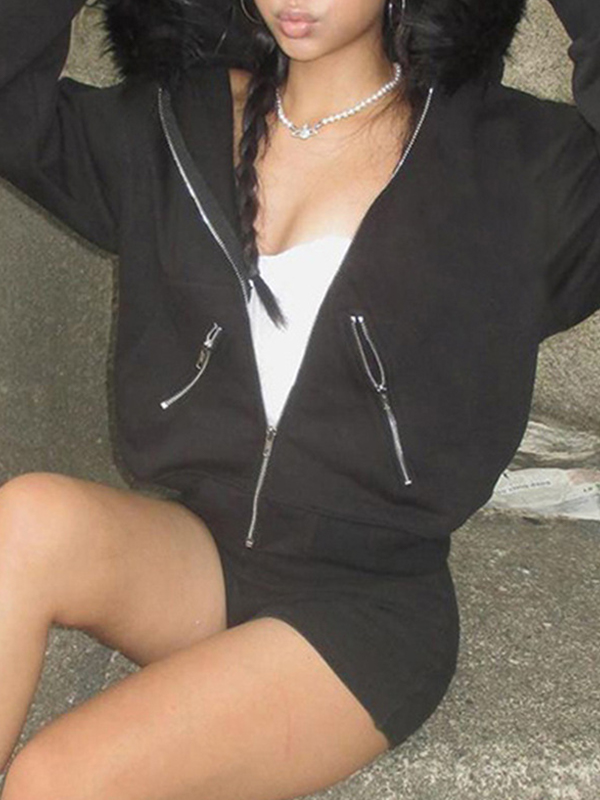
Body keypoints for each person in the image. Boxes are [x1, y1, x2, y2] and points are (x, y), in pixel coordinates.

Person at [0, 0, 598, 797]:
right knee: (28, 516)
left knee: (56, 778)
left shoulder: (509, 162)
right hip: (201, 558)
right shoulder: (174, 124)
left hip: (365, 612)